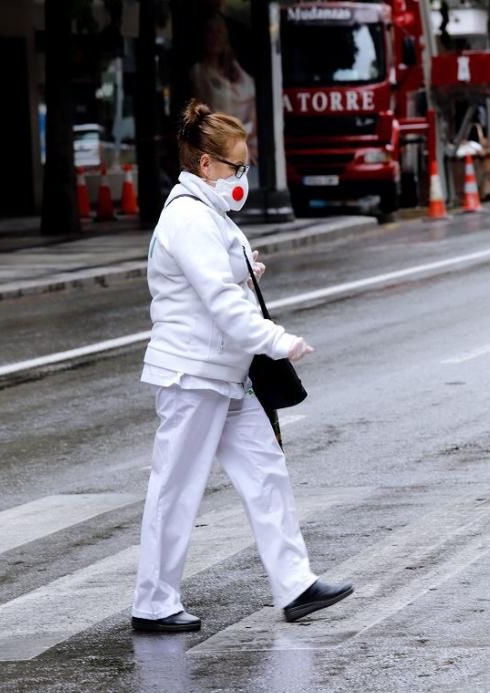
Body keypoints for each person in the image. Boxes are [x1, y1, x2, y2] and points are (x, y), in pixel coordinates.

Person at [131, 100, 353, 633]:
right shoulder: (188, 217)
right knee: (176, 489)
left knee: (266, 473)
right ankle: (154, 602)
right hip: (193, 376)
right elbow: (222, 304)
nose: (242, 177)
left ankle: (295, 583)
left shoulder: (207, 213)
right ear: (205, 164)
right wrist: (277, 341)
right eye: (236, 166)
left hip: (226, 375)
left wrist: (245, 266)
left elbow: (220, 281)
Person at [189, 13, 258, 165]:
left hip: (247, 150)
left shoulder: (236, 69)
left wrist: (250, 144)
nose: (215, 36)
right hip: (219, 152)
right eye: (210, 32)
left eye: (219, 32)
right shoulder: (199, 72)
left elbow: (254, 102)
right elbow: (204, 115)